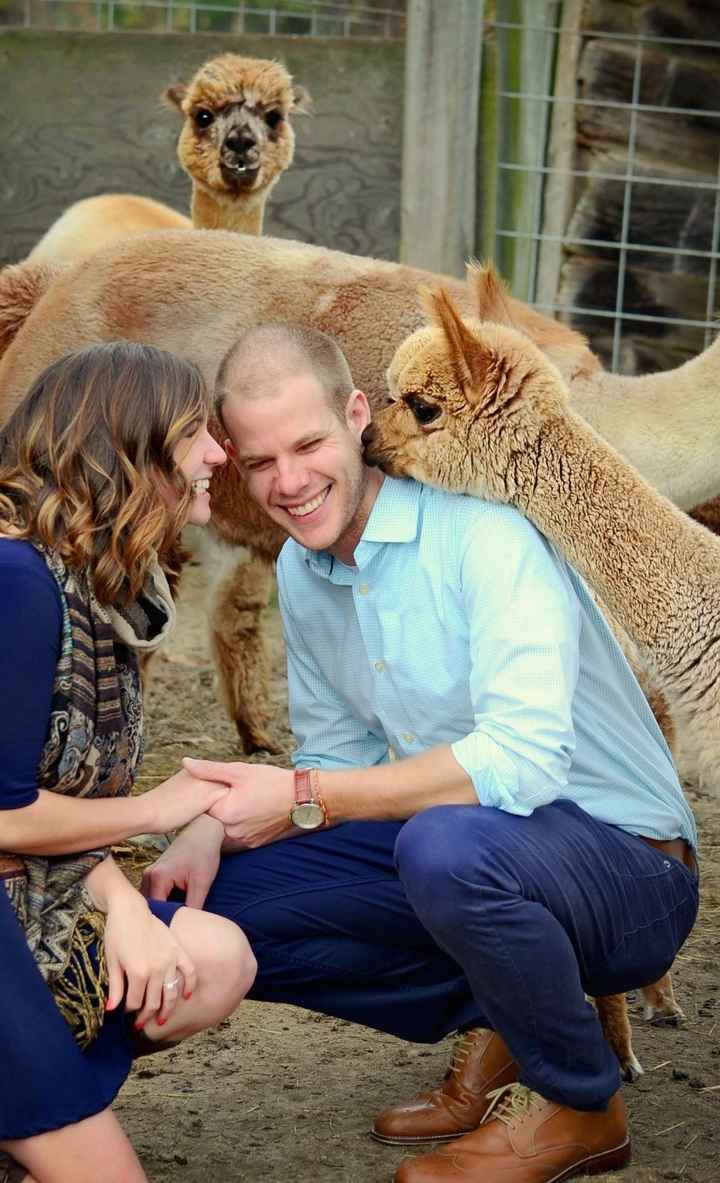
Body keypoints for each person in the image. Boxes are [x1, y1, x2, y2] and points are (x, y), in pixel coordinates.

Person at [144, 324, 699, 1183]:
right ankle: (512, 1017)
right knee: (215, 904)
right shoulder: (303, 570)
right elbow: (340, 758)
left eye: (308, 445)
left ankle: (581, 1103)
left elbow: (521, 762)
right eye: (260, 462)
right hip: (475, 857)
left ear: (356, 415)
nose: (289, 482)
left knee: (445, 846)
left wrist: (306, 793)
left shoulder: (484, 531)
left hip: (630, 872)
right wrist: (219, 826)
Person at [0, 342, 257, 1183]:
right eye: (194, 433)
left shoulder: (99, 583)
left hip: (32, 884)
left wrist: (122, 905)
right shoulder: (15, 581)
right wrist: (156, 809)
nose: (218, 453)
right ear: (127, 450)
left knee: (214, 958)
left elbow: (40, 793)